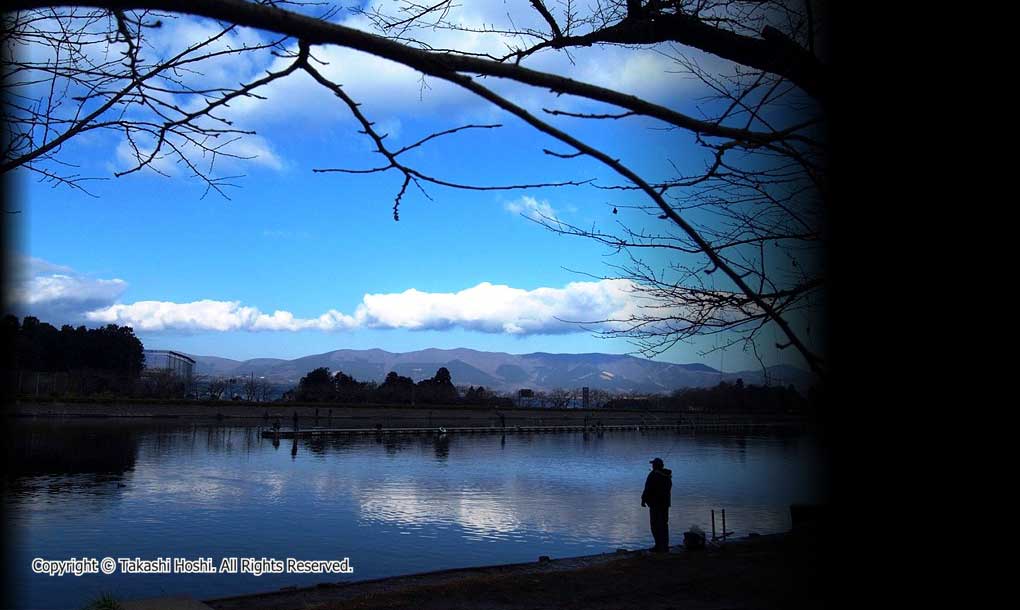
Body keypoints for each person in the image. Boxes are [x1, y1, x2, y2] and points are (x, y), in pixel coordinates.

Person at [641, 457, 673, 553]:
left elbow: (647, 489)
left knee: (655, 525)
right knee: (664, 525)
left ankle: (658, 546)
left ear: (655, 466)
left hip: (655, 505)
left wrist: (643, 500)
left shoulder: (653, 475)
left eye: (653, 464)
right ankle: (664, 546)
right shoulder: (668, 476)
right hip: (665, 504)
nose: (652, 466)